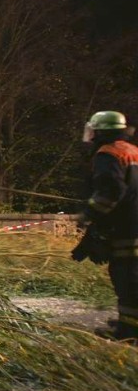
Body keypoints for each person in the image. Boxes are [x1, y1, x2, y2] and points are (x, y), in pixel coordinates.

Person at [72, 110, 138, 342]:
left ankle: (128, 332)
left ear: (101, 132)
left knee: (127, 279)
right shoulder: (132, 151)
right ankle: (127, 323)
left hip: (127, 227)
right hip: (132, 221)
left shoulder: (107, 154)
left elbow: (111, 191)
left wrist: (89, 214)